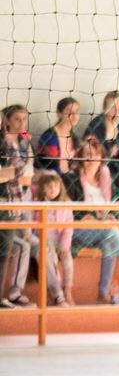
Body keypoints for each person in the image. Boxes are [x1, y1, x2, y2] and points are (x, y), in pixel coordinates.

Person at [72, 136, 119, 302]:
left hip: (101, 230)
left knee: (108, 243)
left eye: (95, 154)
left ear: (101, 158)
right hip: (77, 229)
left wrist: (111, 215)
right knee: (110, 229)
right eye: (86, 154)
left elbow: (114, 207)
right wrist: (89, 216)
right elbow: (71, 210)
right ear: (80, 157)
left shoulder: (105, 179)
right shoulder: (73, 179)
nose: (91, 158)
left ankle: (102, 293)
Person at [0, 105, 34, 306]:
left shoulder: (23, 141)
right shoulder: (4, 142)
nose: (21, 123)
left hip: (15, 202)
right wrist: (12, 173)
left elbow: (25, 172)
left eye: (24, 119)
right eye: (17, 119)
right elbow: (15, 172)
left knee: (6, 251)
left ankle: (4, 296)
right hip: (4, 201)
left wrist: (12, 173)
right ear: (7, 120)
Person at [81, 92, 119, 197]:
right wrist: (109, 152)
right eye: (112, 108)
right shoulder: (96, 127)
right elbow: (93, 160)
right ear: (104, 109)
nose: (116, 112)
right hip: (98, 174)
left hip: (118, 175)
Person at [32, 171, 74, 305]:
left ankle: (68, 289)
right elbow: (33, 225)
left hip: (59, 241)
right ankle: (56, 292)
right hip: (44, 239)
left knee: (67, 259)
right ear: (42, 188)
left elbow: (68, 226)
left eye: (56, 186)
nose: (53, 190)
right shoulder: (38, 203)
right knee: (52, 258)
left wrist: (64, 246)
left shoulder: (65, 203)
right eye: (48, 187)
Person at [36, 97, 82, 199]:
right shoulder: (49, 136)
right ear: (59, 114)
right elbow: (50, 167)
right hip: (52, 181)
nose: (74, 115)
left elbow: (75, 166)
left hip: (69, 179)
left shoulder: (75, 138)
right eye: (69, 111)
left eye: (77, 111)